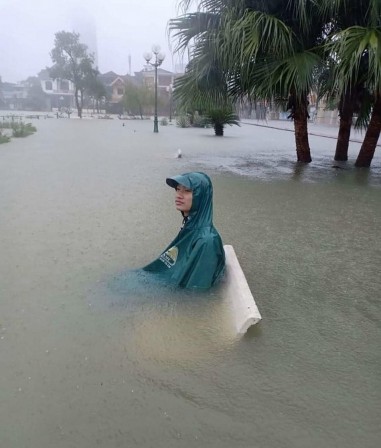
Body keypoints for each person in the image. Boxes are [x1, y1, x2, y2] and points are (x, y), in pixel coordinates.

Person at [143, 172, 225, 289]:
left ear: (200, 196)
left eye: (187, 191)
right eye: (177, 189)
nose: (179, 195)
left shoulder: (207, 241)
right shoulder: (190, 226)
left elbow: (196, 292)